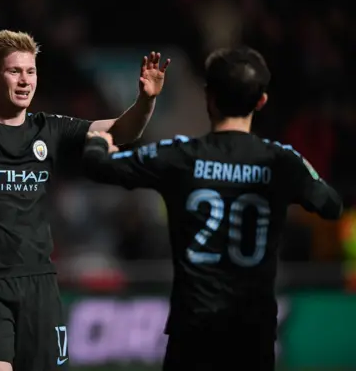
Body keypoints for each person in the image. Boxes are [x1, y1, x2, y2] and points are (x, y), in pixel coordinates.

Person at [0, 21, 170, 371]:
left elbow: (122, 130)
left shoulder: (51, 129)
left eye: (30, 71)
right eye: (14, 71)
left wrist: (146, 101)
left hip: (39, 283)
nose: (25, 80)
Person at [81, 47, 343, 371]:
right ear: (261, 101)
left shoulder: (180, 156)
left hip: (193, 330)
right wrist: (302, 167)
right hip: (253, 334)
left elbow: (99, 166)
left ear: (209, 97)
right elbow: (331, 205)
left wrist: (97, 139)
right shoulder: (281, 161)